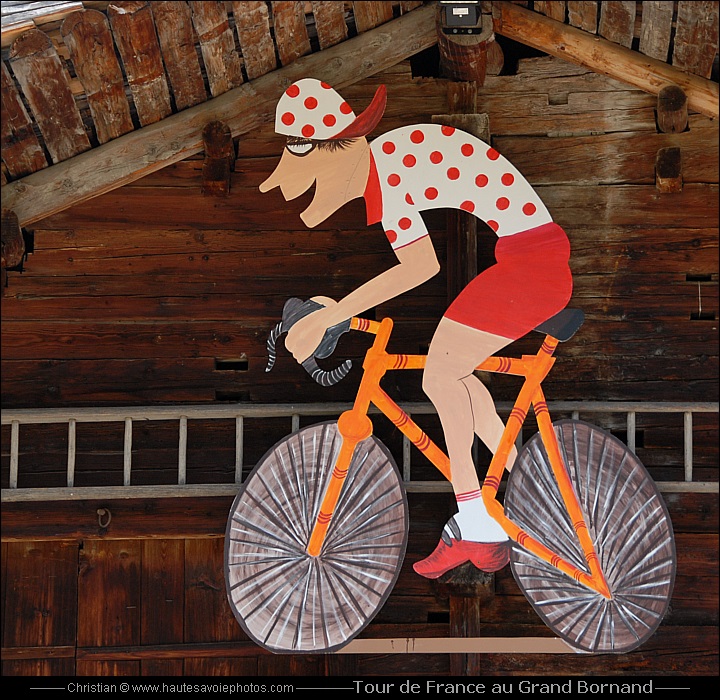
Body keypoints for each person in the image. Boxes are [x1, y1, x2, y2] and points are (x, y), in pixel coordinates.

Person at [259, 79, 573, 578]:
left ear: (348, 145)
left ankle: (474, 520)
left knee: (438, 377)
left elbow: (417, 267)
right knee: (459, 380)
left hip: (531, 265)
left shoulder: (392, 167)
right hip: (531, 260)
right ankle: (535, 495)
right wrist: (333, 311)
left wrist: (336, 313)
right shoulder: (386, 167)